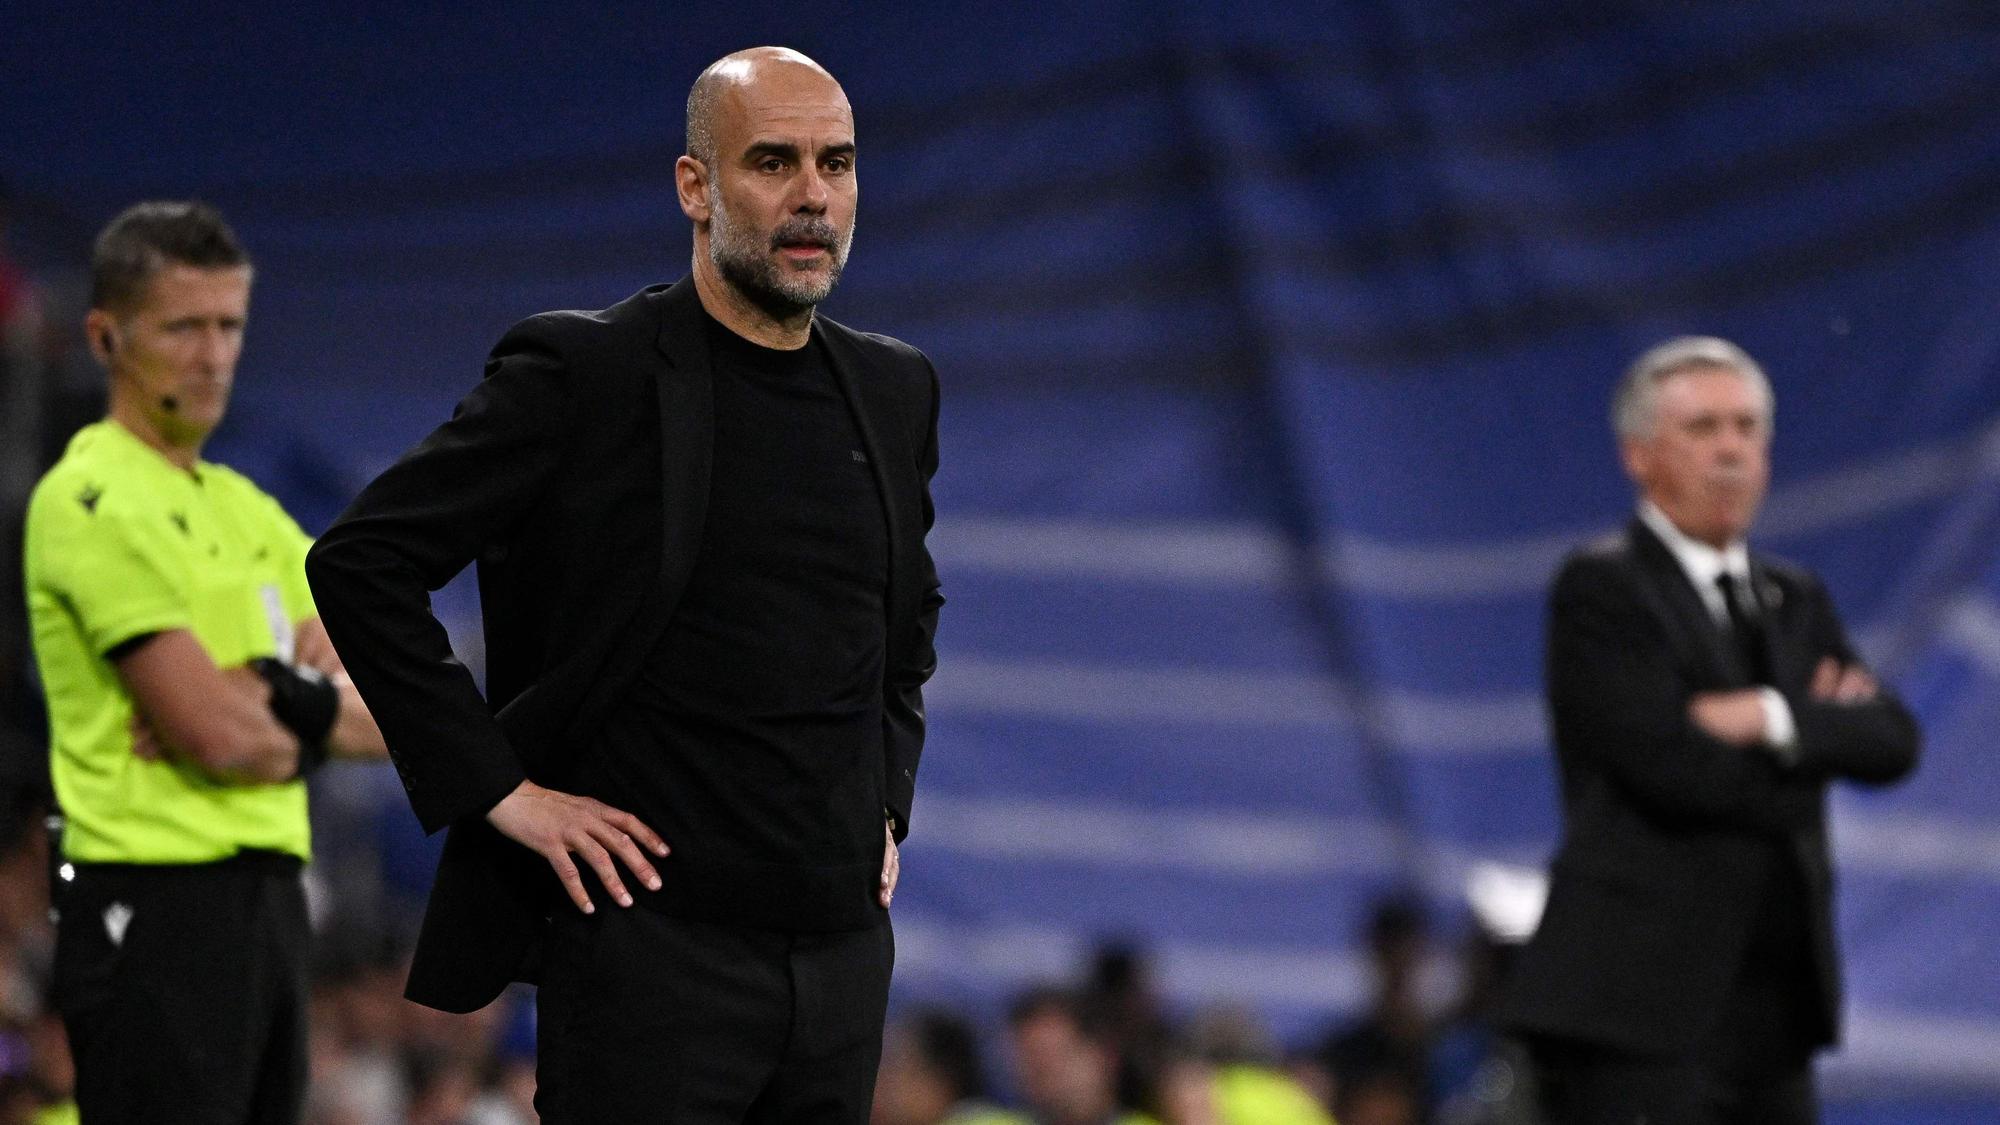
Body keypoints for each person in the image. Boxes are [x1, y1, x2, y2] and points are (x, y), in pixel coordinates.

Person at [305, 45, 944, 1123]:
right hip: (649, 958)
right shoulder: (583, 374)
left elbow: (903, 617)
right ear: (695, 187)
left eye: (835, 164)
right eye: (772, 163)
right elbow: (362, 561)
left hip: (839, 966)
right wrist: (499, 789)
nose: (811, 197)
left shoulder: (894, 387)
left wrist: (888, 801)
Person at [21, 200, 387, 1122]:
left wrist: (269, 694)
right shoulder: (89, 498)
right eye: (184, 326)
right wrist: (304, 703)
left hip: (270, 906)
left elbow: (390, 709)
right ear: (106, 337)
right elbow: (217, 735)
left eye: (229, 325)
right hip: (151, 907)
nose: (215, 353)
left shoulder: (249, 510)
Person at [1495, 337, 1920, 1124]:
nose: (1731, 449)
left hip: (1777, 1010)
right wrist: (1818, 741)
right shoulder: (1602, 587)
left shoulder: (1796, 599)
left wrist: (1770, 715)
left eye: (1747, 427)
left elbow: (1893, 740)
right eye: (1703, 429)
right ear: (1639, 455)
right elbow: (1667, 764)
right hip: (1638, 1010)